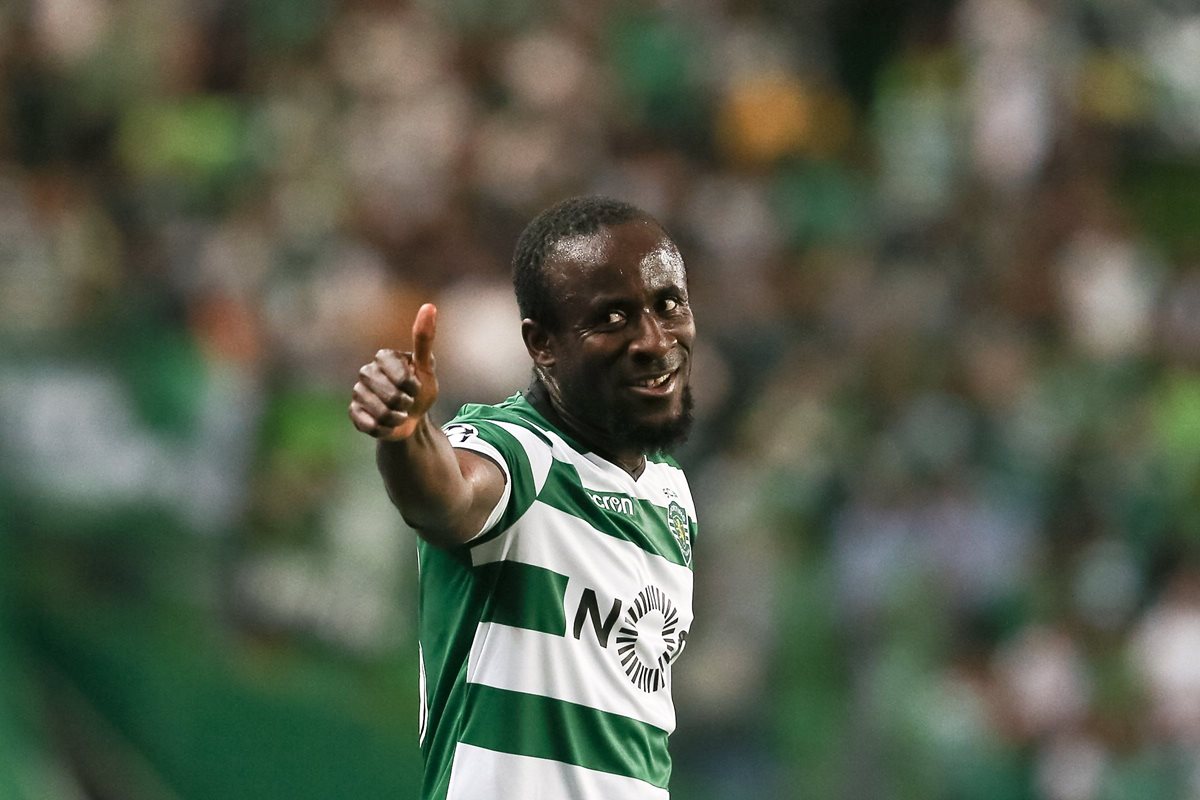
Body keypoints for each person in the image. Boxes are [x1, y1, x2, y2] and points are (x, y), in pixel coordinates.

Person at [349, 196, 698, 800]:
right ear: (542, 346)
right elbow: (448, 496)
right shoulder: (519, 454)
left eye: (668, 305)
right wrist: (407, 435)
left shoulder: (673, 495)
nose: (653, 339)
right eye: (612, 318)